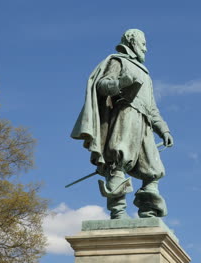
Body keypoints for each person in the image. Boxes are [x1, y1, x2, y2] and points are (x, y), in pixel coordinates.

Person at [71, 29, 173, 219]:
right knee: (119, 160)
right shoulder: (118, 61)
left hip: (144, 123)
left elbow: (152, 108)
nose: (146, 48)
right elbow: (103, 86)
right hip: (126, 116)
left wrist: (163, 129)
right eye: (143, 44)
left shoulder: (145, 74)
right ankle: (118, 211)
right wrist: (122, 82)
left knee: (153, 169)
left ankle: (149, 211)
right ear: (132, 42)